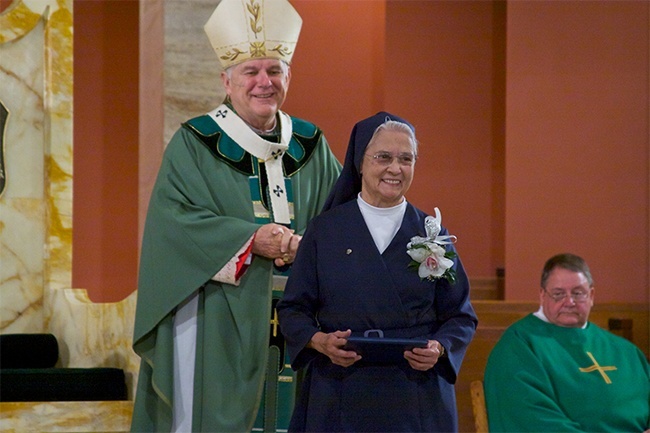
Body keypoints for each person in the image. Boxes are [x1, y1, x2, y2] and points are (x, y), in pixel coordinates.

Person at [130, 0, 342, 431]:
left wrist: (312, 246)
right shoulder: (194, 143)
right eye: (251, 72)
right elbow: (174, 227)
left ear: (288, 77)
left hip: (304, 326)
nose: (264, 82)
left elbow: (344, 221)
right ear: (226, 81)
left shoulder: (312, 144)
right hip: (217, 321)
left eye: (274, 71)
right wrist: (251, 240)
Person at [276, 112, 478, 432]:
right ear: (360, 161)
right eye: (383, 157)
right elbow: (292, 309)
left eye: (406, 159)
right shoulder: (324, 230)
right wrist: (318, 341)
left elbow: (461, 316)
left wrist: (439, 348)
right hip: (340, 390)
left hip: (415, 395)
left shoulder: (433, 234)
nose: (395, 169)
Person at [484, 253, 650, 432]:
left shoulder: (624, 350)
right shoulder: (519, 345)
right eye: (558, 294)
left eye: (578, 293)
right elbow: (532, 419)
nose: (569, 302)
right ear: (542, 295)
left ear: (591, 295)